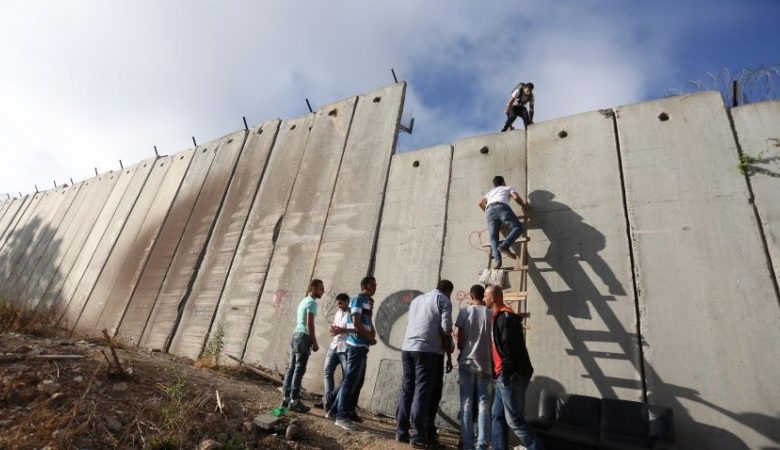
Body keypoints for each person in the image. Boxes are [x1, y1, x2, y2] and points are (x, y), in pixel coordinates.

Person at [396, 279, 454, 449]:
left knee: (407, 389)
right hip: (427, 351)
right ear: (449, 291)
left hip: (407, 348)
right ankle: (418, 435)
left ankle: (401, 432)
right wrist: (448, 346)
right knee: (422, 391)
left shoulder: (417, 300)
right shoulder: (444, 300)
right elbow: (446, 328)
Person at [485, 285, 544, 450]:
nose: (484, 299)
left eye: (486, 296)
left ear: (494, 297)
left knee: (514, 420)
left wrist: (505, 372)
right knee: (497, 416)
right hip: (502, 376)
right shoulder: (499, 316)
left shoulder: (506, 317)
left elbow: (511, 349)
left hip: (510, 376)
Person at [334, 276, 378, 431]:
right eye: (372, 285)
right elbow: (356, 321)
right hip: (356, 345)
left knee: (357, 380)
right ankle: (341, 416)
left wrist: (372, 332)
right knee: (351, 380)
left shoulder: (369, 301)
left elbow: (367, 320)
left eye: (375, 285)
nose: (375, 287)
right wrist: (369, 337)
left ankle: (349, 412)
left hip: (363, 345)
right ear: (365, 285)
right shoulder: (358, 299)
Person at [455, 284, 494, 450]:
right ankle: (482, 444)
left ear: (471, 297)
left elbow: (458, 336)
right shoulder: (491, 313)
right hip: (485, 364)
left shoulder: (465, 312)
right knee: (484, 405)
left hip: (466, 363)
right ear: (482, 297)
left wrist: (462, 347)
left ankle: (467, 444)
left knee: (466, 403)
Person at [280, 279, 323, 413]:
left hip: (296, 337)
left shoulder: (303, 301)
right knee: (298, 370)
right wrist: (315, 343)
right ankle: (294, 401)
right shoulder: (312, 303)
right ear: (314, 288)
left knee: (292, 369)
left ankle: (286, 399)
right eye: (321, 288)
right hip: (303, 338)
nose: (323, 291)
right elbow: (310, 324)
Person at [478, 176, 530, 269]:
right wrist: (524, 205)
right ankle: (505, 246)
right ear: (503, 182)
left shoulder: (490, 192)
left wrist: (489, 212)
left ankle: (498, 261)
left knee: (493, 238)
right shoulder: (507, 188)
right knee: (518, 227)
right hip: (501, 207)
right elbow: (516, 197)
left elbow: (481, 203)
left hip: (489, 210)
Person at [321, 293, 350, 412]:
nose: (339, 306)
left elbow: (357, 330)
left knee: (347, 377)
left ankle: (330, 399)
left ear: (347, 302)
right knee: (327, 371)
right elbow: (335, 325)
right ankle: (328, 400)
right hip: (334, 345)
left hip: (345, 348)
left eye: (341, 303)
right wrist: (332, 328)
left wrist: (342, 330)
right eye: (338, 304)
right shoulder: (338, 313)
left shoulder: (352, 314)